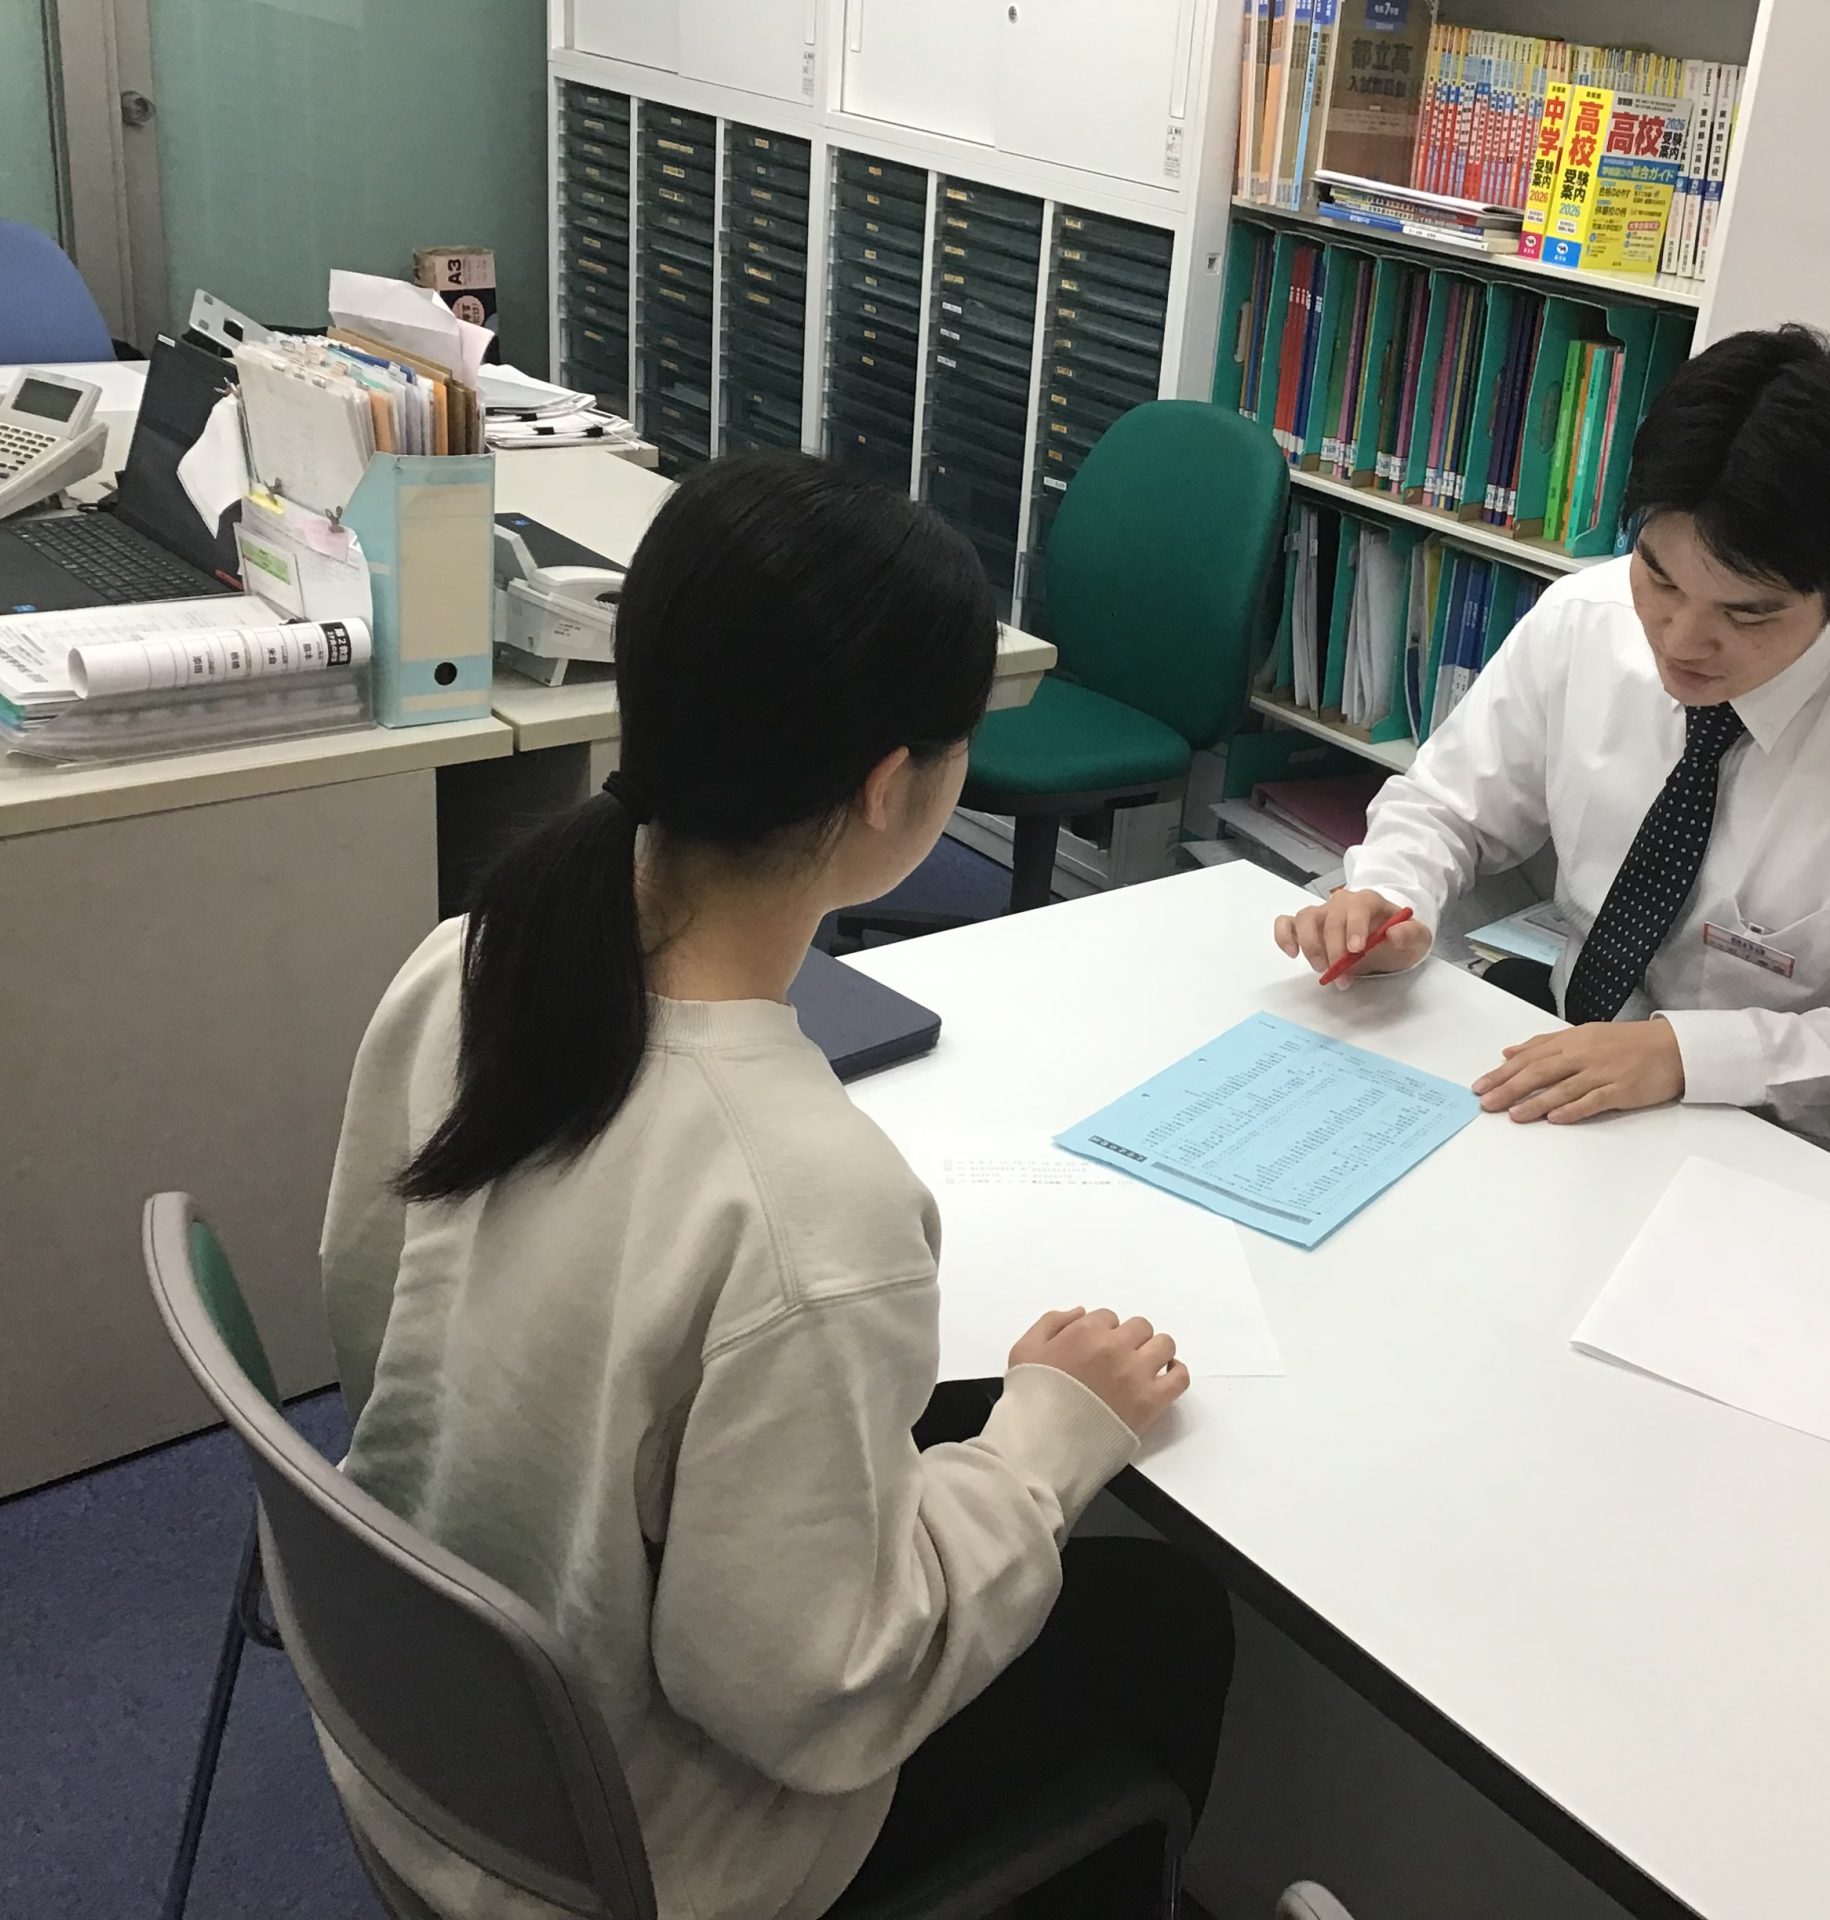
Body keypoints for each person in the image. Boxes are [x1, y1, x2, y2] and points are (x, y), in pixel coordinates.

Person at [319, 450, 1232, 1920]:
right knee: (1171, 1620)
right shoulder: (810, 1204)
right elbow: (808, 1701)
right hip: (635, 1859)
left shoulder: (468, 964)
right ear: (889, 787)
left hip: (427, 1740)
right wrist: (1042, 1448)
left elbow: (372, 1332)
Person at [1275, 325, 1830, 1156]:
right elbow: (1446, 808)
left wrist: (1687, 1056)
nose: (1681, 640)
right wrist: (1390, 900)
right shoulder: (1588, 618)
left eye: (1746, 613)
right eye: (1660, 576)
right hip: (1563, 1074)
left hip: (1773, 1143)